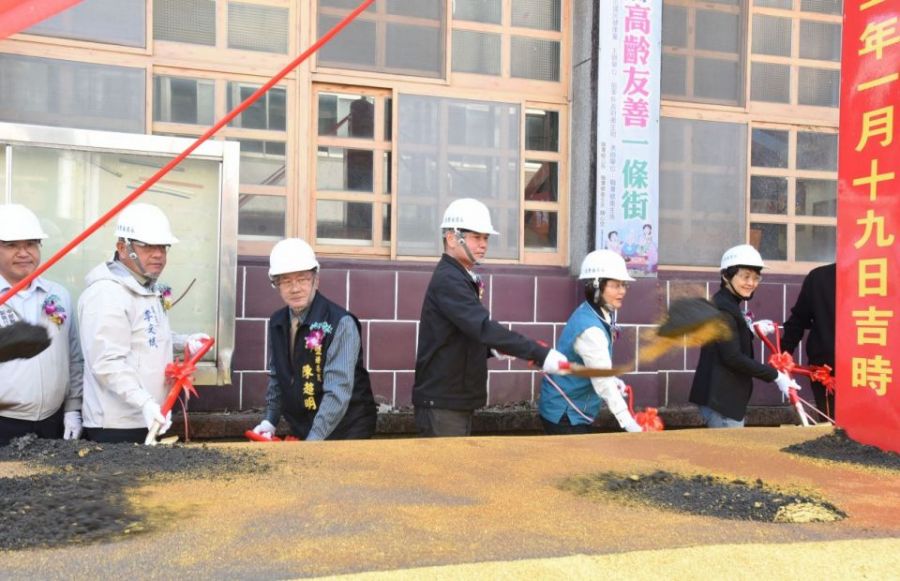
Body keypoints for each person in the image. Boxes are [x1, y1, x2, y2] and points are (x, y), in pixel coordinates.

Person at [413, 198, 568, 437]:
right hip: (443, 403)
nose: (483, 244)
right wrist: (540, 354)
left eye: (485, 238)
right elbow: (482, 327)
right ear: (453, 238)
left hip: (452, 400)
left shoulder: (459, 276)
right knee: (448, 473)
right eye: (476, 237)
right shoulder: (450, 280)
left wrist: (492, 349)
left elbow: (460, 335)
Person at [78, 203, 208, 444]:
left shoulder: (145, 286)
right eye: (148, 246)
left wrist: (184, 342)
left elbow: (145, 339)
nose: (158, 254)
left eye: (163, 247)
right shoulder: (106, 293)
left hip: (149, 418)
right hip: (116, 425)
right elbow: (107, 362)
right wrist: (144, 402)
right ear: (122, 247)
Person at [252, 238, 377, 440]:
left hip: (347, 430)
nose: (295, 288)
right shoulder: (278, 322)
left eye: (302, 279)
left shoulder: (340, 323)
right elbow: (278, 376)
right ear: (275, 284)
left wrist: (313, 441)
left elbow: (338, 392)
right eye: (286, 281)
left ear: (316, 280)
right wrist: (270, 420)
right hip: (306, 428)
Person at [688, 244, 800, 428]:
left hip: (722, 397)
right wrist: (776, 376)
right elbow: (732, 357)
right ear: (726, 276)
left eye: (756, 278)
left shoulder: (726, 303)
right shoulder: (723, 308)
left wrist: (751, 331)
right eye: (745, 277)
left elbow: (727, 339)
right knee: (727, 455)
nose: (751, 283)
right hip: (721, 401)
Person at [0, 204, 84, 446]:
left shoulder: (58, 295)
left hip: (53, 421)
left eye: (31, 244)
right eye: (12, 245)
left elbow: (74, 357)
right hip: (4, 422)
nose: (24, 253)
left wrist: (72, 409)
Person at [539, 250, 642, 434]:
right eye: (615, 285)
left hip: (572, 407)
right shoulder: (590, 329)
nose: (622, 291)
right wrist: (627, 421)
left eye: (624, 285)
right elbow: (602, 380)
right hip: (565, 412)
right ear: (596, 286)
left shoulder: (596, 312)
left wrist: (613, 379)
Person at [779, 262, 836, 417]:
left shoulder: (883, 276)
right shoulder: (819, 278)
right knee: (833, 428)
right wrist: (783, 354)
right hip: (827, 374)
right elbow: (798, 319)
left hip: (872, 371)